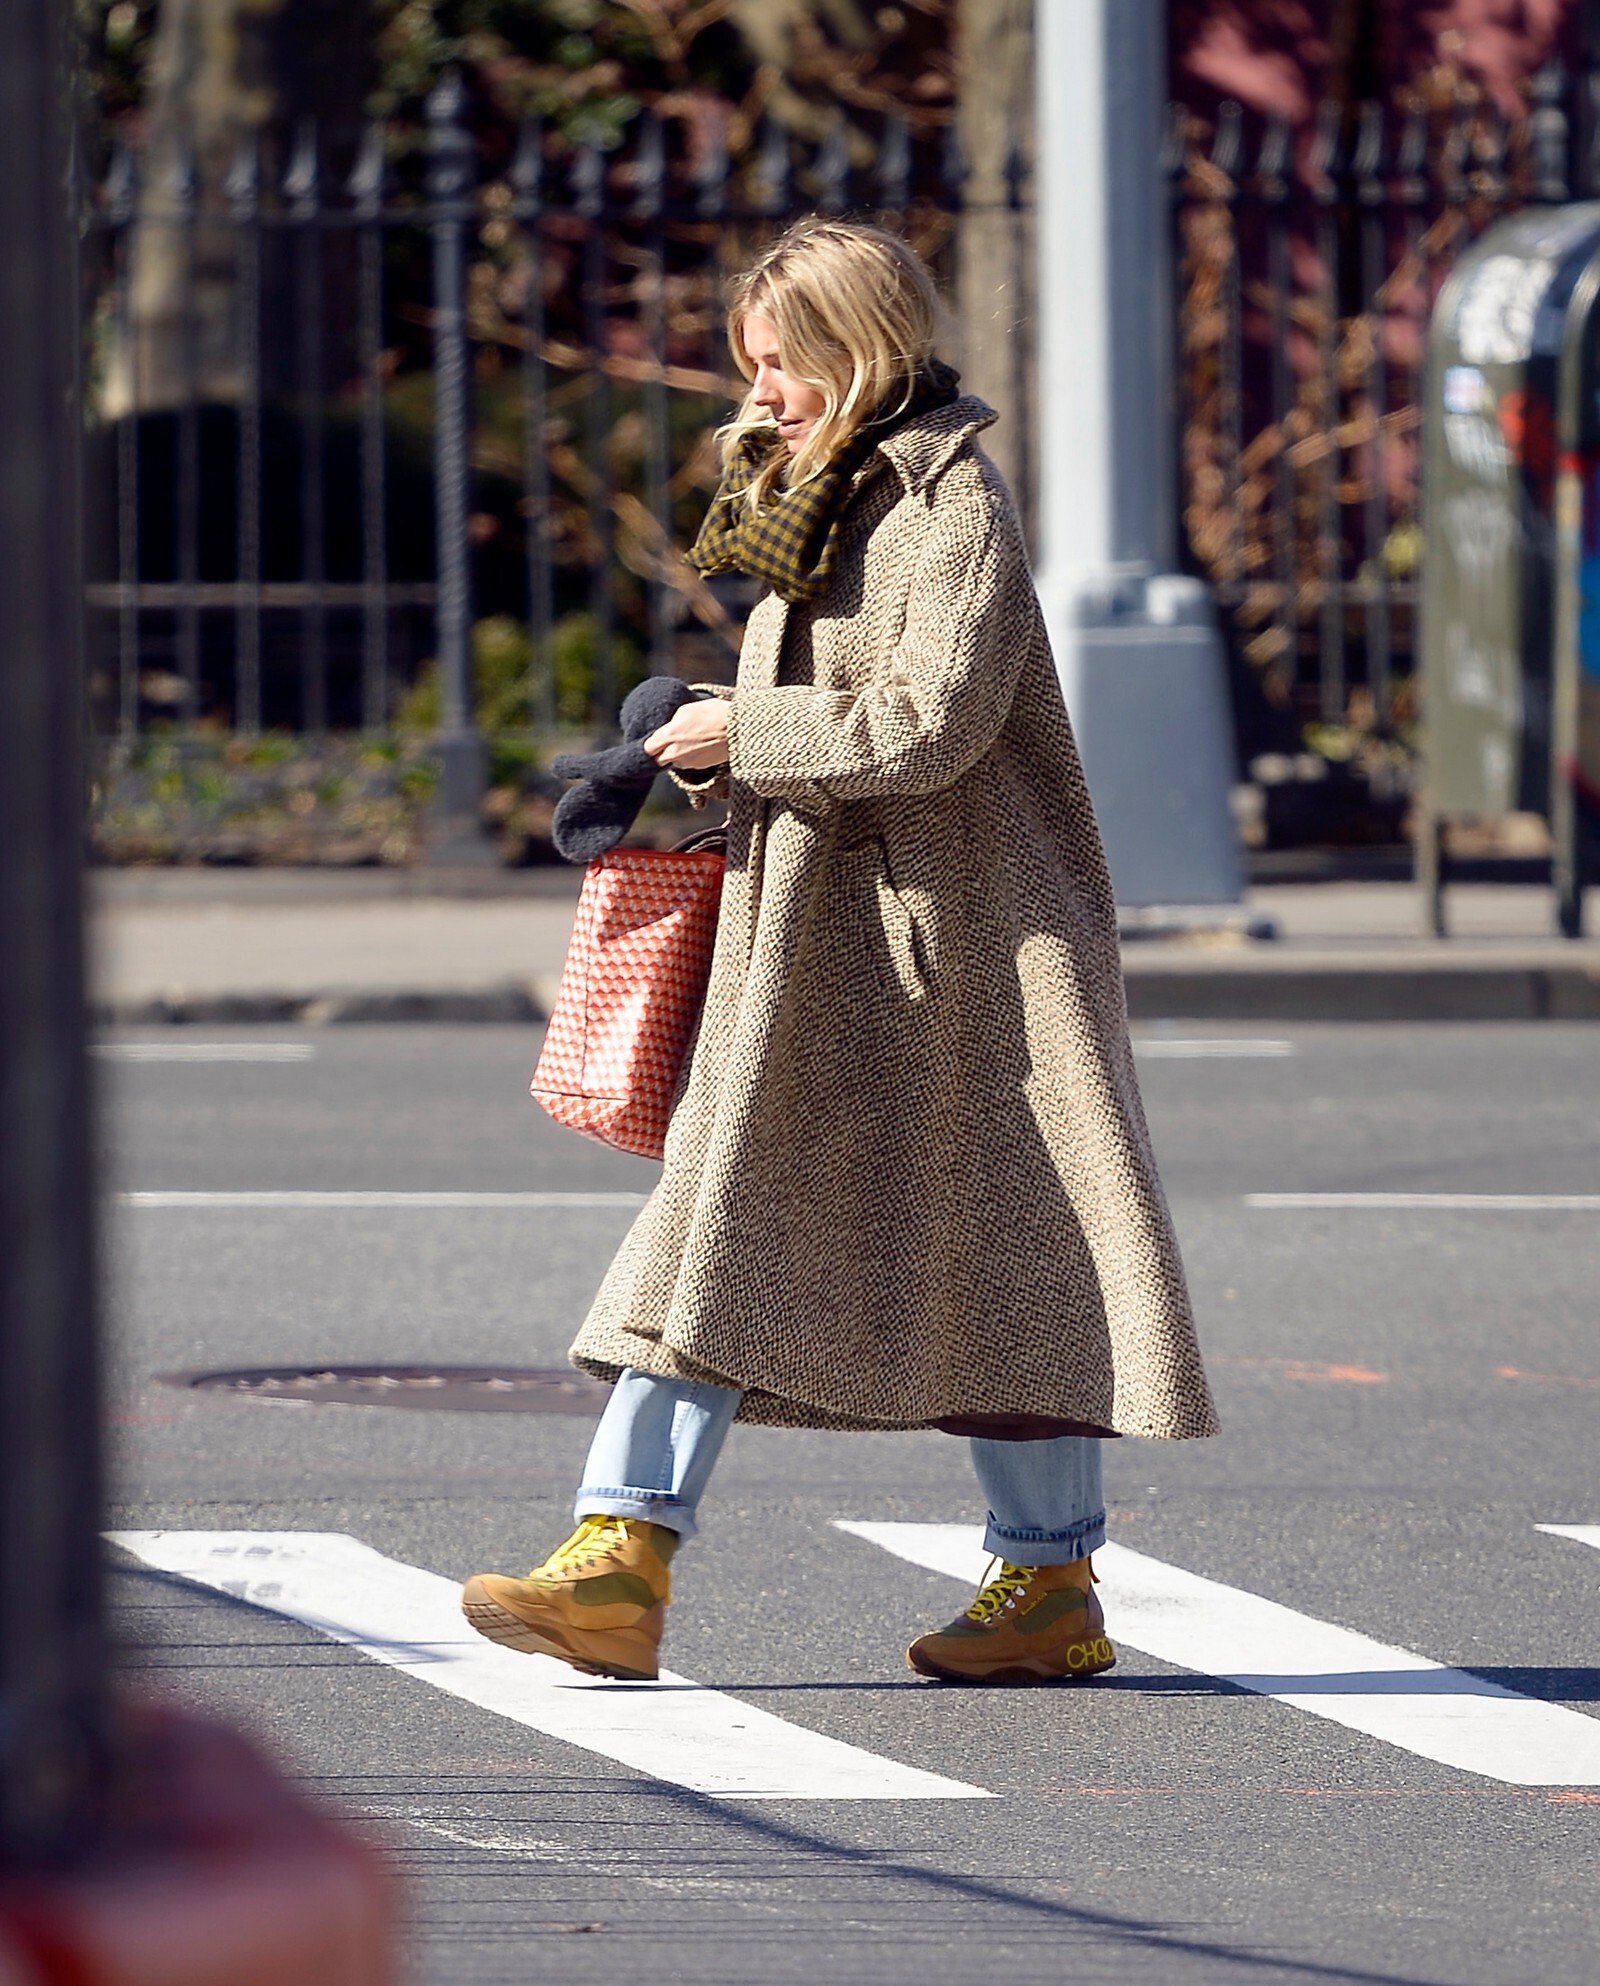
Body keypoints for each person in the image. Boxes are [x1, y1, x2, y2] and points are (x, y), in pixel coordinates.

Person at [462, 217, 1217, 1686]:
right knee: (724, 1223)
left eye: (780, 364)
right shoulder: (815, 499)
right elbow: (848, 702)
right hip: (828, 936)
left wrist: (743, 730)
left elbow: (931, 723)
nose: (757, 392)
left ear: (859, 352)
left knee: (1013, 1256)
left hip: (966, 951)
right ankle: (621, 1559)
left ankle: (1043, 1582)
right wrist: (701, 732)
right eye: (750, 363)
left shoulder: (951, 507)